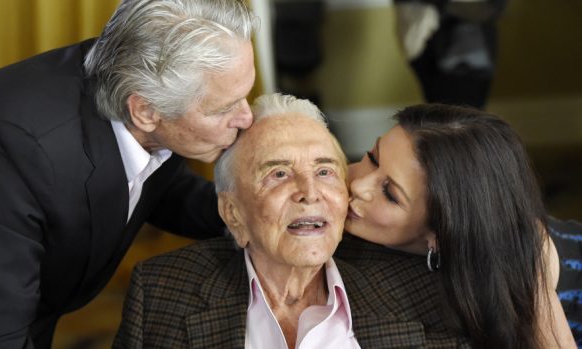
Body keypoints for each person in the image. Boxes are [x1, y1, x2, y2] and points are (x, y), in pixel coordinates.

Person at [0, 0, 256, 347]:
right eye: (224, 108)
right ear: (145, 111)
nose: (247, 118)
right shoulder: (13, 152)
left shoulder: (146, 80)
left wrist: (256, 215)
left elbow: (157, 183)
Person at [113, 94, 468, 348]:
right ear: (233, 213)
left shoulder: (425, 295)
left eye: (325, 170)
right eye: (279, 173)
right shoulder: (161, 293)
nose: (309, 192)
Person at [345, 104, 576, 348]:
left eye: (390, 194)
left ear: (440, 234)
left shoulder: (526, 262)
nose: (358, 184)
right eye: (372, 158)